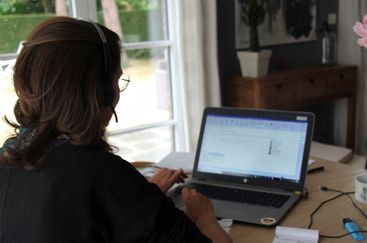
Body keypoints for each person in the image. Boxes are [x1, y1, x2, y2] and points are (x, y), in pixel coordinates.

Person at [0, 17, 232, 243]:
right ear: (102, 94)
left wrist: (142, 197)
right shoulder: (104, 175)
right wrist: (206, 219)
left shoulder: (8, 155)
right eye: (117, 81)